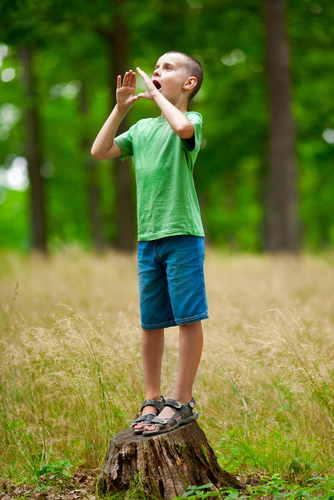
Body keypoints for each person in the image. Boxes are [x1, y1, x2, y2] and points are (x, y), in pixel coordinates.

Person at [91, 51, 208, 436]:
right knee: (151, 322)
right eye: (155, 68)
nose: (156, 73)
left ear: (189, 84)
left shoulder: (191, 120)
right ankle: (152, 398)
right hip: (148, 240)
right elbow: (100, 150)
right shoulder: (140, 131)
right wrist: (121, 108)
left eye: (167, 69)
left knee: (188, 318)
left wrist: (157, 97)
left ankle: (181, 399)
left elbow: (182, 130)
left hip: (183, 236)